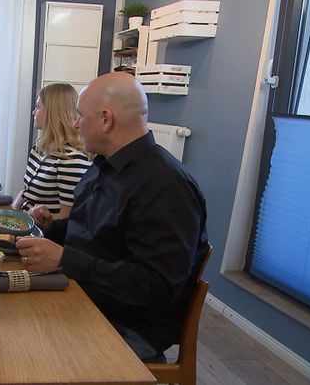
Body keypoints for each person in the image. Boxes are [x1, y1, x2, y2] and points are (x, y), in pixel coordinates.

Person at [17, 72, 208, 362]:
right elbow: (97, 233)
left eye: (80, 115)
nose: (75, 123)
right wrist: (54, 227)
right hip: (88, 296)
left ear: (106, 119)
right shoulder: (104, 165)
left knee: (23, 349)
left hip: (129, 326)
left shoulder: (165, 186)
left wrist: (64, 259)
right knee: (9, 314)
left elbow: (154, 288)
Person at [11, 83, 92, 217]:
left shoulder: (71, 160)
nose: (33, 112)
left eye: (37, 107)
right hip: (23, 225)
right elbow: (26, 191)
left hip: (42, 234)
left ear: (53, 113)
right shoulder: (39, 149)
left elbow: (67, 218)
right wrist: (11, 213)